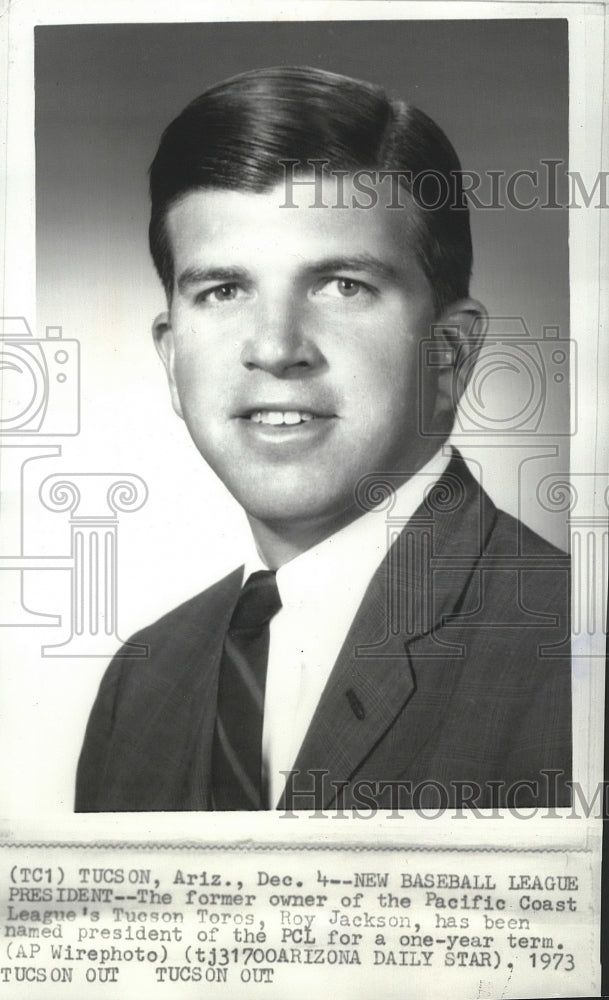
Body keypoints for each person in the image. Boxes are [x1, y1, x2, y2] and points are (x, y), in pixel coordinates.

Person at [75, 66, 571, 813]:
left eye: (342, 285)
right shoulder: (143, 679)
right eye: (223, 290)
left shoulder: (574, 653)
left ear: (450, 352)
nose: (275, 349)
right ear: (173, 359)